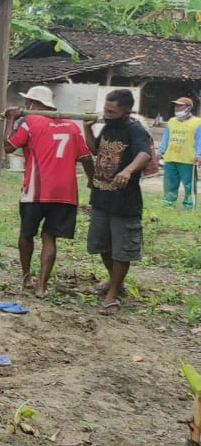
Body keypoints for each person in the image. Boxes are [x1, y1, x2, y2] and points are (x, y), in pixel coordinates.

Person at [4, 85, 94, 297]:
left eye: (28, 103)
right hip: (65, 193)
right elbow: (86, 157)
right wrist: (92, 180)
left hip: (36, 191)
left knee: (27, 234)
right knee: (49, 237)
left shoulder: (31, 121)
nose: (25, 106)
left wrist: (10, 120)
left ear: (35, 104)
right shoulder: (72, 127)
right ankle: (41, 286)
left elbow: (8, 146)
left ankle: (27, 277)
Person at [84, 89, 152, 316]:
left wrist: (129, 170)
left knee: (121, 251)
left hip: (124, 201)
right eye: (106, 109)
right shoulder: (107, 126)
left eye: (112, 111)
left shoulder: (135, 129)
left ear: (126, 110)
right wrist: (87, 128)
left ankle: (112, 294)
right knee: (102, 245)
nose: (107, 113)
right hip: (102, 197)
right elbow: (95, 149)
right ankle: (115, 282)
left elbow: (144, 154)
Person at [159, 97, 201, 209]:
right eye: (176, 106)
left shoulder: (198, 122)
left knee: (189, 185)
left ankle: (189, 206)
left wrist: (199, 155)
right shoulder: (171, 121)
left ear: (188, 108)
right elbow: (165, 138)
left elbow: (199, 140)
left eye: (179, 106)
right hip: (170, 158)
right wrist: (160, 151)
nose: (176, 108)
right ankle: (168, 204)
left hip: (188, 159)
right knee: (169, 184)